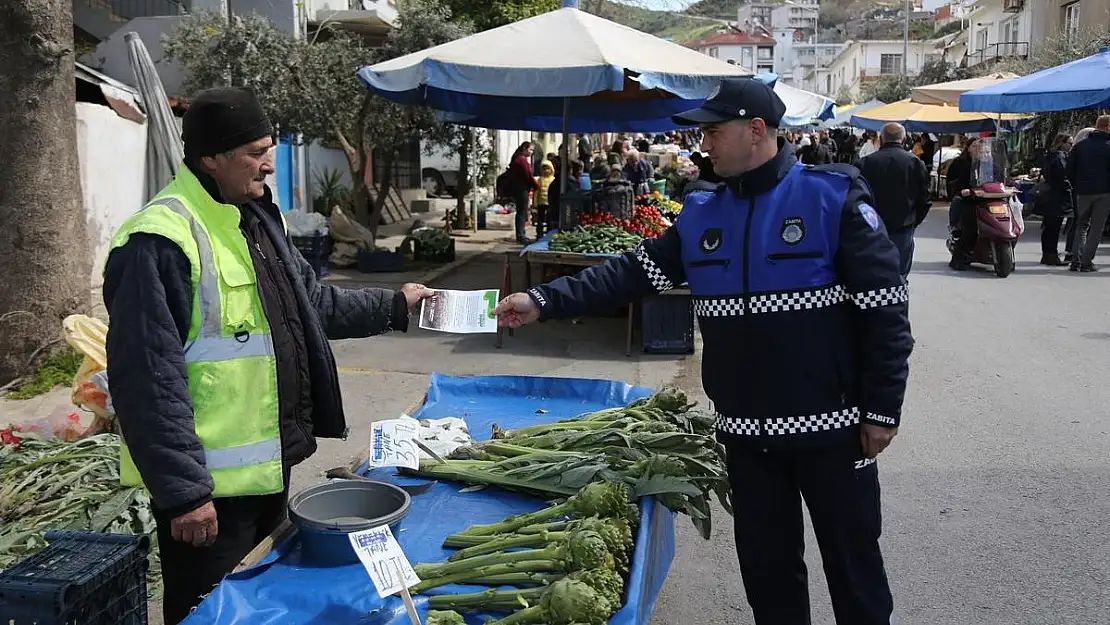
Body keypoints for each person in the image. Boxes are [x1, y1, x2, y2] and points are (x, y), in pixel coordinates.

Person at [494, 77, 912, 625]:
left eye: (713, 131)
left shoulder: (831, 198)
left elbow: (885, 313)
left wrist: (882, 410)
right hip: (745, 435)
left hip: (832, 430)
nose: (703, 144)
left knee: (853, 568)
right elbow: (629, 274)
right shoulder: (701, 213)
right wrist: (543, 298)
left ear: (756, 130)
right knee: (768, 573)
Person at [102, 87, 435, 625]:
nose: (268, 164)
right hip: (208, 499)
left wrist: (396, 305)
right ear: (212, 157)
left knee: (262, 612)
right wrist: (185, 494)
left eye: (270, 147)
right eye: (255, 151)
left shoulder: (255, 219)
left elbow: (313, 305)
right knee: (210, 615)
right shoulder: (157, 241)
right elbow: (147, 381)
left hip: (266, 478)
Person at [858, 122, 931, 279]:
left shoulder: (865, 163)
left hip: (873, 227)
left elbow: (856, 198)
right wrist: (913, 221)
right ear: (904, 139)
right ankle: (898, 301)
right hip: (903, 227)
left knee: (874, 274)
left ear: (882, 139)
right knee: (900, 275)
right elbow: (924, 199)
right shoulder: (915, 163)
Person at [1065, 114, 1110, 272]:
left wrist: (1077, 185)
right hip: (1104, 193)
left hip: (1082, 191)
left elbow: (1069, 169)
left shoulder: (1080, 146)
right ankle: (1086, 262)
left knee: (1081, 225)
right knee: (1096, 228)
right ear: (1107, 126)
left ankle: (1075, 261)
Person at [1037, 133, 1075, 266]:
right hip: (1057, 197)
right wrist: (1070, 187)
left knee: (1049, 227)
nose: (1071, 146)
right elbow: (1062, 177)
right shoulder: (1059, 157)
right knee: (1054, 227)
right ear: (1062, 143)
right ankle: (1051, 255)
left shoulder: (1050, 155)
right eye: (1070, 143)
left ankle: (1047, 254)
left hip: (1050, 196)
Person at [946, 137, 981, 270]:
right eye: (975, 147)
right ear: (968, 147)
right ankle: (958, 257)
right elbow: (955, 183)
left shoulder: (988, 164)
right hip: (968, 199)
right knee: (969, 224)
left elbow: (999, 177)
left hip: (987, 199)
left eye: (981, 148)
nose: (979, 150)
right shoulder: (962, 163)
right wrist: (962, 190)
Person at [508, 141, 540, 244]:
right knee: (522, 212)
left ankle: (521, 234)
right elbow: (528, 175)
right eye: (530, 150)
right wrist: (536, 186)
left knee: (521, 212)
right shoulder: (521, 160)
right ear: (524, 149)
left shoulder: (517, 158)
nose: (531, 152)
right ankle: (521, 235)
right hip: (521, 189)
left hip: (518, 188)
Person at [533, 159, 556, 238]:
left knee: (549, 219)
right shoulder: (539, 180)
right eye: (544, 169)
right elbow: (536, 192)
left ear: (551, 169)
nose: (546, 171)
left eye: (547, 169)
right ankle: (539, 234)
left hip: (549, 202)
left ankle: (549, 234)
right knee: (540, 220)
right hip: (541, 202)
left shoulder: (553, 179)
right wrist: (535, 202)